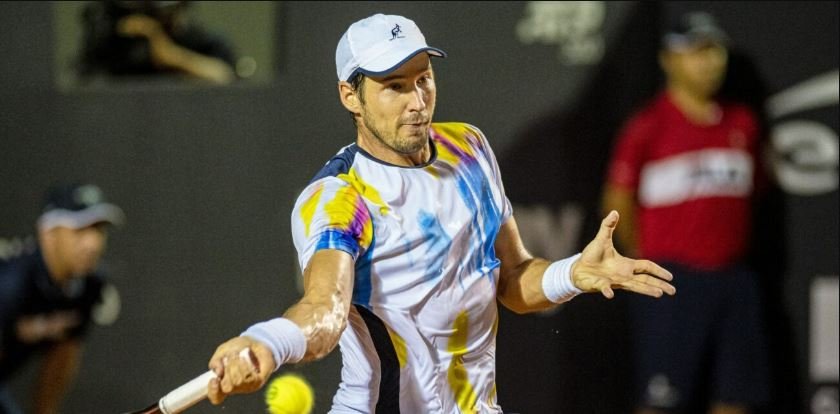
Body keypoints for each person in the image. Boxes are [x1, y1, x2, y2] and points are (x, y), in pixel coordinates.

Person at [206, 14, 675, 413]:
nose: (417, 102)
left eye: (423, 79)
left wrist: (573, 273)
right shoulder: (338, 197)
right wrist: (267, 342)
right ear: (350, 96)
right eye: (394, 87)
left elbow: (513, 279)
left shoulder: (469, 147)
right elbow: (324, 312)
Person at [601, 11, 770, 414]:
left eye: (715, 51)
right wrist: (646, 262)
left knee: (736, 397)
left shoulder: (743, 124)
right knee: (661, 400)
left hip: (734, 279)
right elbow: (617, 202)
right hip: (671, 282)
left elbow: (755, 193)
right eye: (697, 51)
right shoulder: (648, 126)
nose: (709, 62)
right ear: (669, 60)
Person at [0, 183, 124, 414]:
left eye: (98, 230)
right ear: (48, 234)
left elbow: (61, 359)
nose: (92, 243)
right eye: (80, 230)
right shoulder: (10, 283)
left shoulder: (90, 286)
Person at [78, 0, 237, 85]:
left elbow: (224, 76)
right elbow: (88, 82)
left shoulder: (204, 42)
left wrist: (171, 56)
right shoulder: (123, 41)